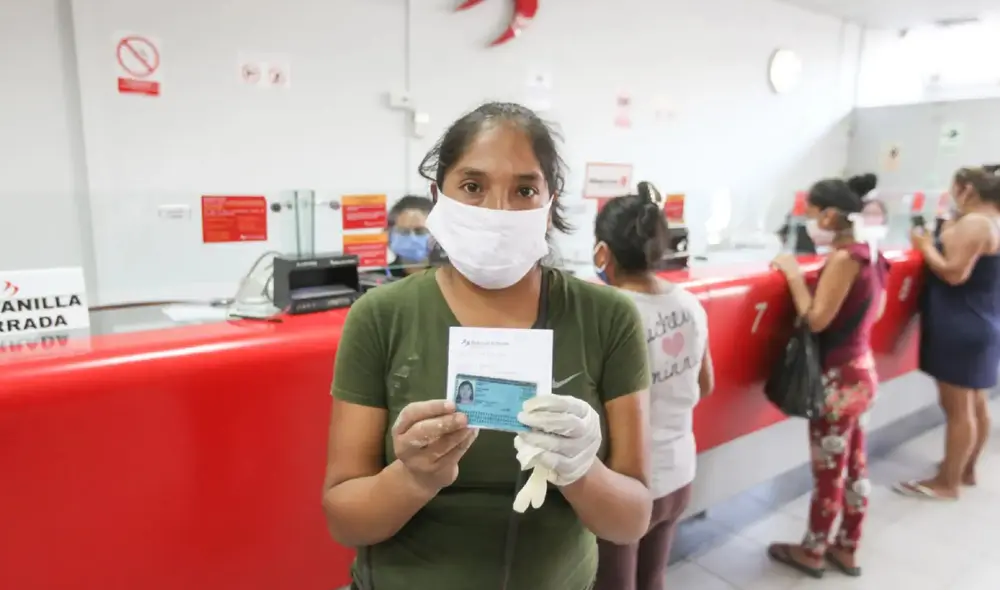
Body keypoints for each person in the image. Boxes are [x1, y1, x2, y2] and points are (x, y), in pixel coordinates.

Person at [322, 102, 654, 590]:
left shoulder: (607, 318)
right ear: (439, 195)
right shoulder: (380, 316)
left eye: (524, 190)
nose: (499, 212)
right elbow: (344, 520)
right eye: (473, 186)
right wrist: (412, 477)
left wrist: (582, 470)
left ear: (550, 203)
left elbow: (631, 521)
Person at [591, 182, 714, 590]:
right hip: (679, 470)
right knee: (653, 578)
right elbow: (706, 383)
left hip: (629, 481)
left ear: (602, 252)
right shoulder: (690, 304)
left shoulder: (610, 315)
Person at [767, 178, 888, 579]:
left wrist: (792, 274)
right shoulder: (871, 251)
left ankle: (814, 550)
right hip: (863, 371)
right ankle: (848, 548)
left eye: (812, 212)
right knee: (854, 466)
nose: (809, 220)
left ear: (830, 215)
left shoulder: (844, 258)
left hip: (837, 382)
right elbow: (879, 309)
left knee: (829, 474)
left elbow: (816, 319)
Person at [895, 167, 1000, 500]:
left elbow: (954, 273)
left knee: (958, 409)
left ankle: (947, 483)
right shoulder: (992, 220)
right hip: (982, 318)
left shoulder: (976, 223)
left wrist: (925, 245)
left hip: (959, 321)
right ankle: (965, 469)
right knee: (975, 403)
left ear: (967, 189)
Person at [386, 195, 434, 278]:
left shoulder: (451, 277)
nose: (413, 238)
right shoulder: (376, 277)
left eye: (420, 231)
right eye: (404, 231)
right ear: (390, 235)